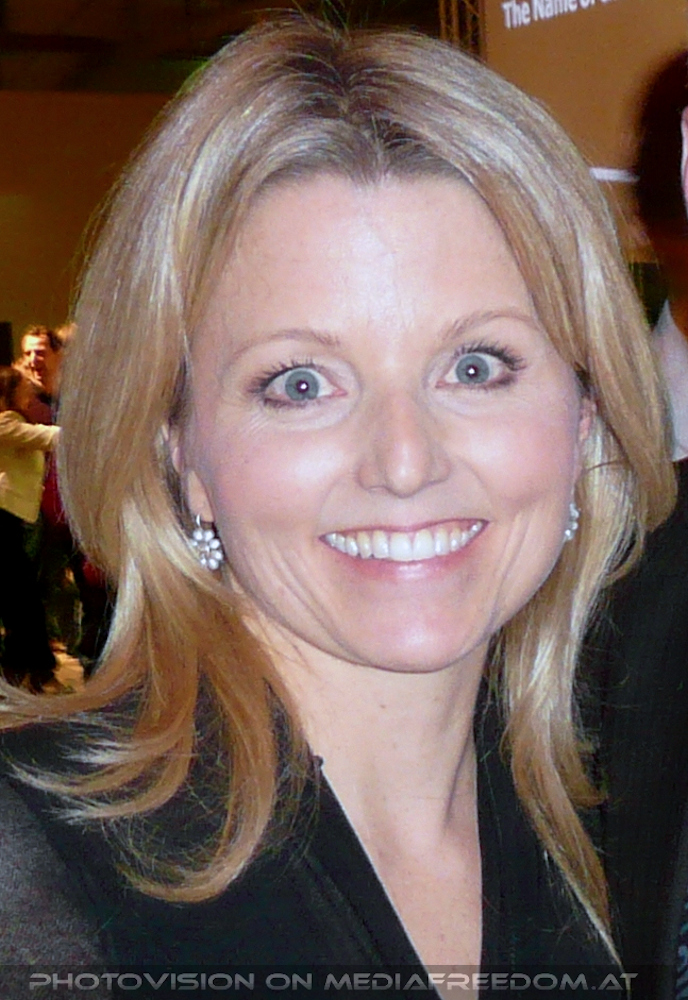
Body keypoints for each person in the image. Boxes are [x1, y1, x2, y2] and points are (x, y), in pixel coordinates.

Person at [0, 17, 675, 992]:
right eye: (302, 383)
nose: (404, 461)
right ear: (178, 446)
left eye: (475, 366)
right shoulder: (31, 871)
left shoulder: (616, 839)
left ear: (586, 411)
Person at [0, 366, 60, 692]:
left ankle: (21, 669)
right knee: (22, 598)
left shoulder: (14, 421)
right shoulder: (6, 423)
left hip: (11, 519)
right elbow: (48, 437)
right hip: (3, 519)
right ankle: (36, 669)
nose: (30, 395)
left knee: (19, 598)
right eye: (24, 390)